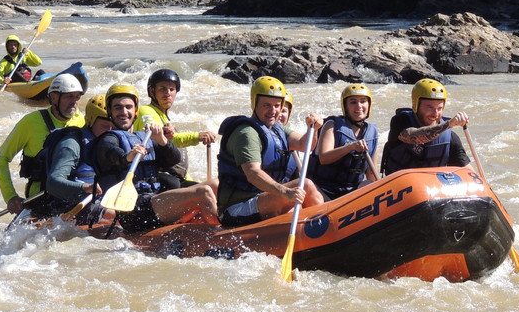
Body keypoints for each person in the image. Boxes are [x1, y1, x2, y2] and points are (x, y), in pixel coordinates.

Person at [92, 82, 216, 232]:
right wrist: (128, 157)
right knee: (203, 192)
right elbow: (111, 153)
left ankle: (225, 221)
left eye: (128, 107)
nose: (124, 112)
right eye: (118, 107)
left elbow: (173, 160)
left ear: (136, 111)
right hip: (134, 210)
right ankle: (219, 233)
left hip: (155, 199)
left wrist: (162, 140)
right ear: (110, 112)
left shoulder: (144, 137)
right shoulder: (108, 139)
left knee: (216, 184)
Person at [216, 76, 325, 227]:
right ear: (255, 103)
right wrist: (284, 192)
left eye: (276, 105)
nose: (273, 111)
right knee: (305, 185)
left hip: (264, 199)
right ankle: (320, 229)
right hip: (236, 209)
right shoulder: (246, 133)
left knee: (307, 188)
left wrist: (314, 129)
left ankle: (321, 228)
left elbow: (304, 144)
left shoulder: (276, 128)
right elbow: (253, 174)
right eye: (266, 105)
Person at [0, 73, 85, 215]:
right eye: (68, 96)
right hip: (39, 201)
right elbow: (1, 158)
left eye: (77, 97)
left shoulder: (81, 121)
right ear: (53, 97)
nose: (74, 102)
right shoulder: (30, 122)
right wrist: (10, 197)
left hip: (72, 199)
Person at [135, 67, 217, 188]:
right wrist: (197, 136)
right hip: (156, 175)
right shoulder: (146, 111)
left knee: (211, 188)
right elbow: (162, 138)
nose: (168, 93)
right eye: (162, 89)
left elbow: (177, 161)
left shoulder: (164, 117)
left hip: (175, 176)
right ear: (152, 91)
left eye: (171, 89)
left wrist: (190, 181)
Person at [38, 93, 112, 224]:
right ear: (90, 120)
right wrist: (85, 188)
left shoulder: (114, 142)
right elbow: (53, 182)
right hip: (67, 206)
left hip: (98, 202)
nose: (110, 132)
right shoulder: (71, 144)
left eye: (113, 127)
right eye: (105, 126)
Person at [380, 78, 470, 175]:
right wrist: (448, 124)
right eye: (429, 107)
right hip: (397, 186)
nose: (435, 114)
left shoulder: (450, 138)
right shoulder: (400, 122)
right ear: (416, 106)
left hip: (432, 187)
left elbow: (467, 171)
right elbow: (414, 137)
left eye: (439, 108)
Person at [311, 83, 379, 199]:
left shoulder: (372, 133)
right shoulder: (332, 125)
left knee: (370, 185)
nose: (359, 106)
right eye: (353, 102)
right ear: (345, 106)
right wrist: (350, 147)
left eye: (363, 101)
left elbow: (371, 175)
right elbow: (324, 158)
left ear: (369, 104)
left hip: (350, 192)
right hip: (322, 189)